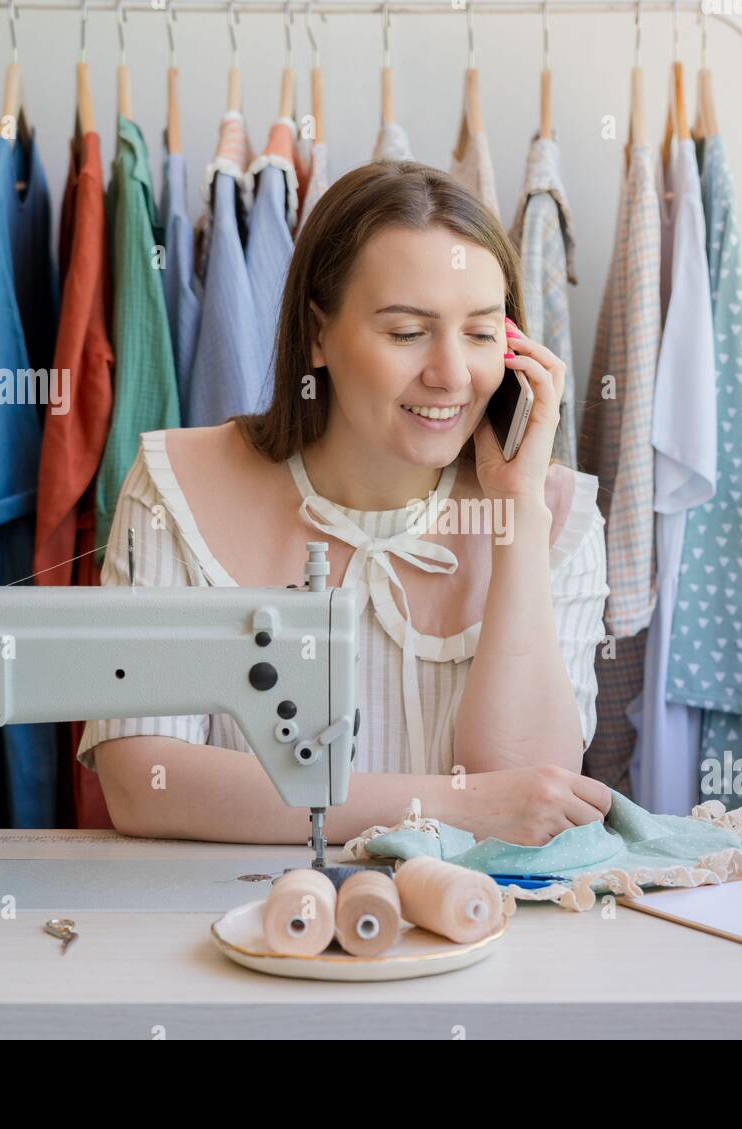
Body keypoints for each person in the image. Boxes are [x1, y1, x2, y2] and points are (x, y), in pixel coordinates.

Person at [78, 159, 611, 847]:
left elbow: (527, 797)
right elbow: (141, 780)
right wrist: (447, 808)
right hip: (236, 932)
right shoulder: (174, 487)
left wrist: (517, 512)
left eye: (481, 333)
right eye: (407, 332)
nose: (451, 374)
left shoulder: (556, 516)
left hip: (479, 937)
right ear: (318, 334)